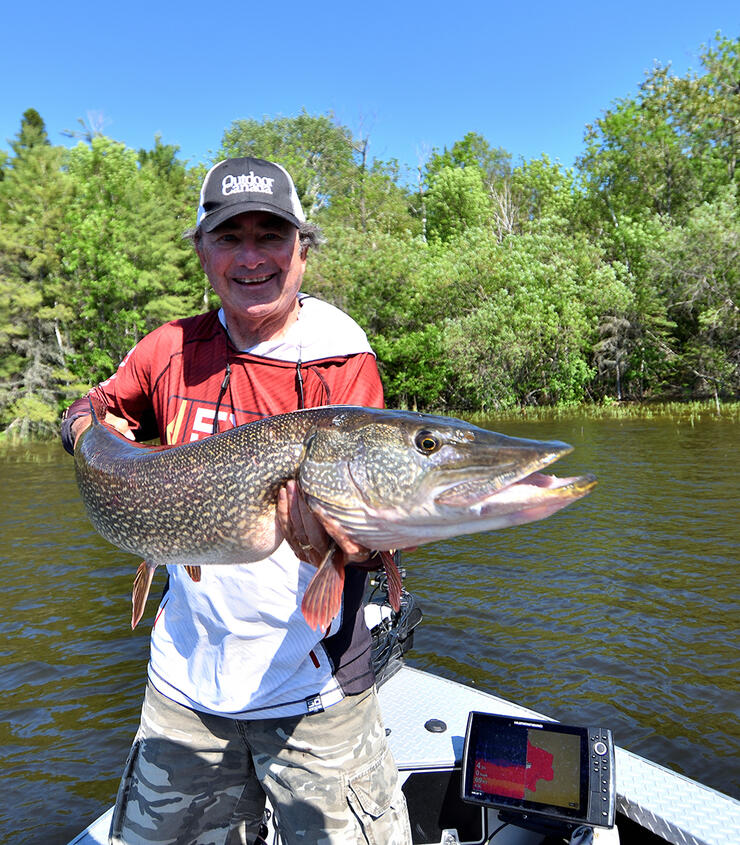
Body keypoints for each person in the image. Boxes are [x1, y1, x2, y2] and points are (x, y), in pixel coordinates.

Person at [61, 157, 412, 845]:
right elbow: (93, 407)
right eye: (230, 237)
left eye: (270, 235)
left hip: (318, 690)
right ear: (202, 250)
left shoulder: (342, 357)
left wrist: (362, 540)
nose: (252, 257)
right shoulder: (169, 350)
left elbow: (370, 519)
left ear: (301, 249)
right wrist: (84, 432)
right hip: (186, 688)